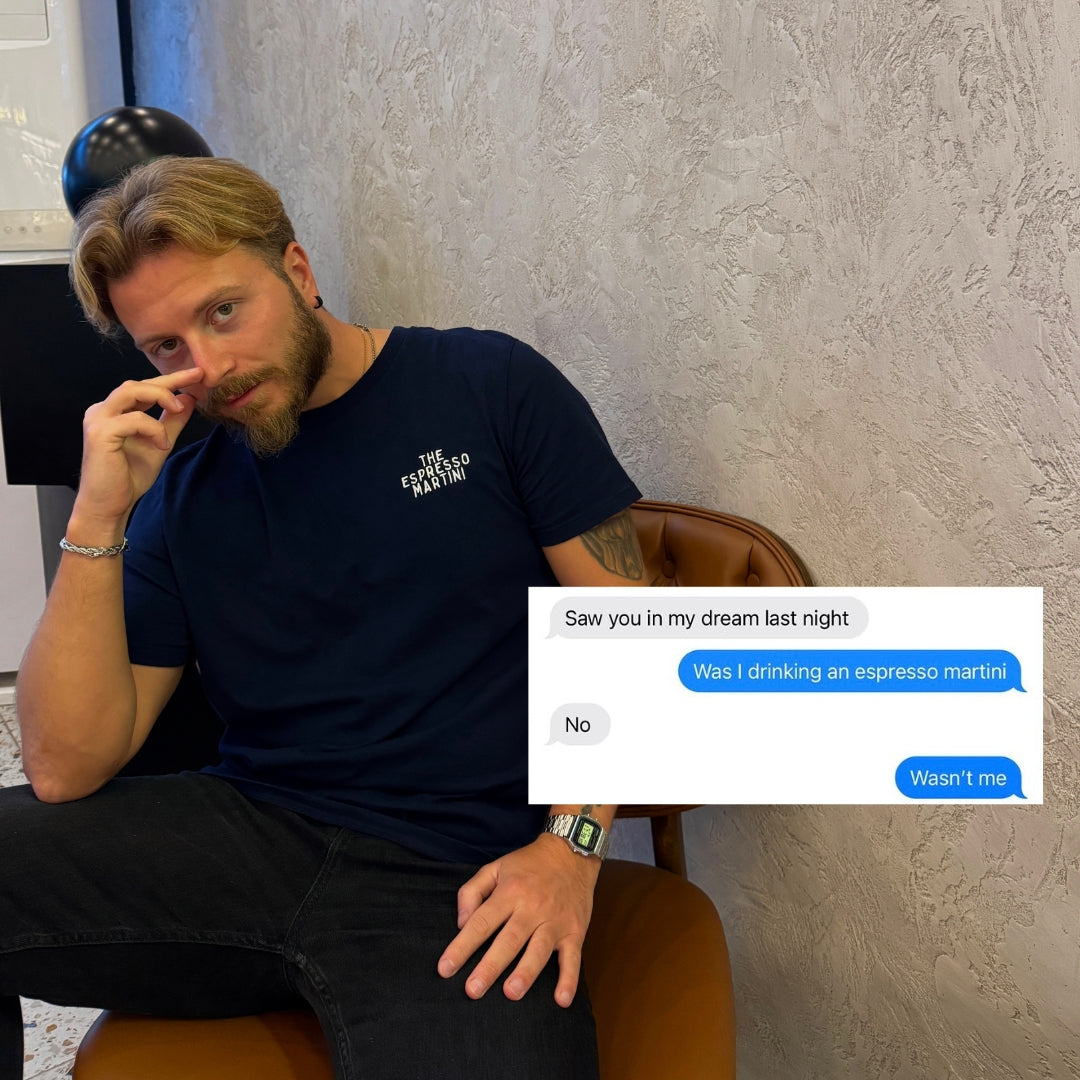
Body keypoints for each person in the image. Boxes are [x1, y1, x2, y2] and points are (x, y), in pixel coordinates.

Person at [0, 156, 644, 1080]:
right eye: (165, 347)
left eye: (223, 311)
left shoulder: (488, 386)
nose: (206, 368)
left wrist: (573, 844)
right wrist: (98, 517)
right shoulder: (183, 487)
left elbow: (631, 636)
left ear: (296, 273)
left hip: (458, 869)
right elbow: (63, 766)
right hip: (252, 833)